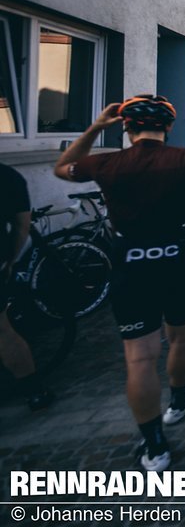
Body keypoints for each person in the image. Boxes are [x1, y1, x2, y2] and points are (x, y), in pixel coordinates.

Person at [53, 95, 185, 471]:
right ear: (167, 126)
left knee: (139, 357)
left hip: (131, 264)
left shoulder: (109, 162)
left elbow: (63, 167)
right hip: (181, 259)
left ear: (127, 127)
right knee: (182, 336)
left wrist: (96, 128)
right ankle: (181, 398)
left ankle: (154, 445)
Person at [0, 162, 54, 411]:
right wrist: (10, 260)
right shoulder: (8, 176)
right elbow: (22, 226)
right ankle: (34, 390)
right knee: (3, 330)